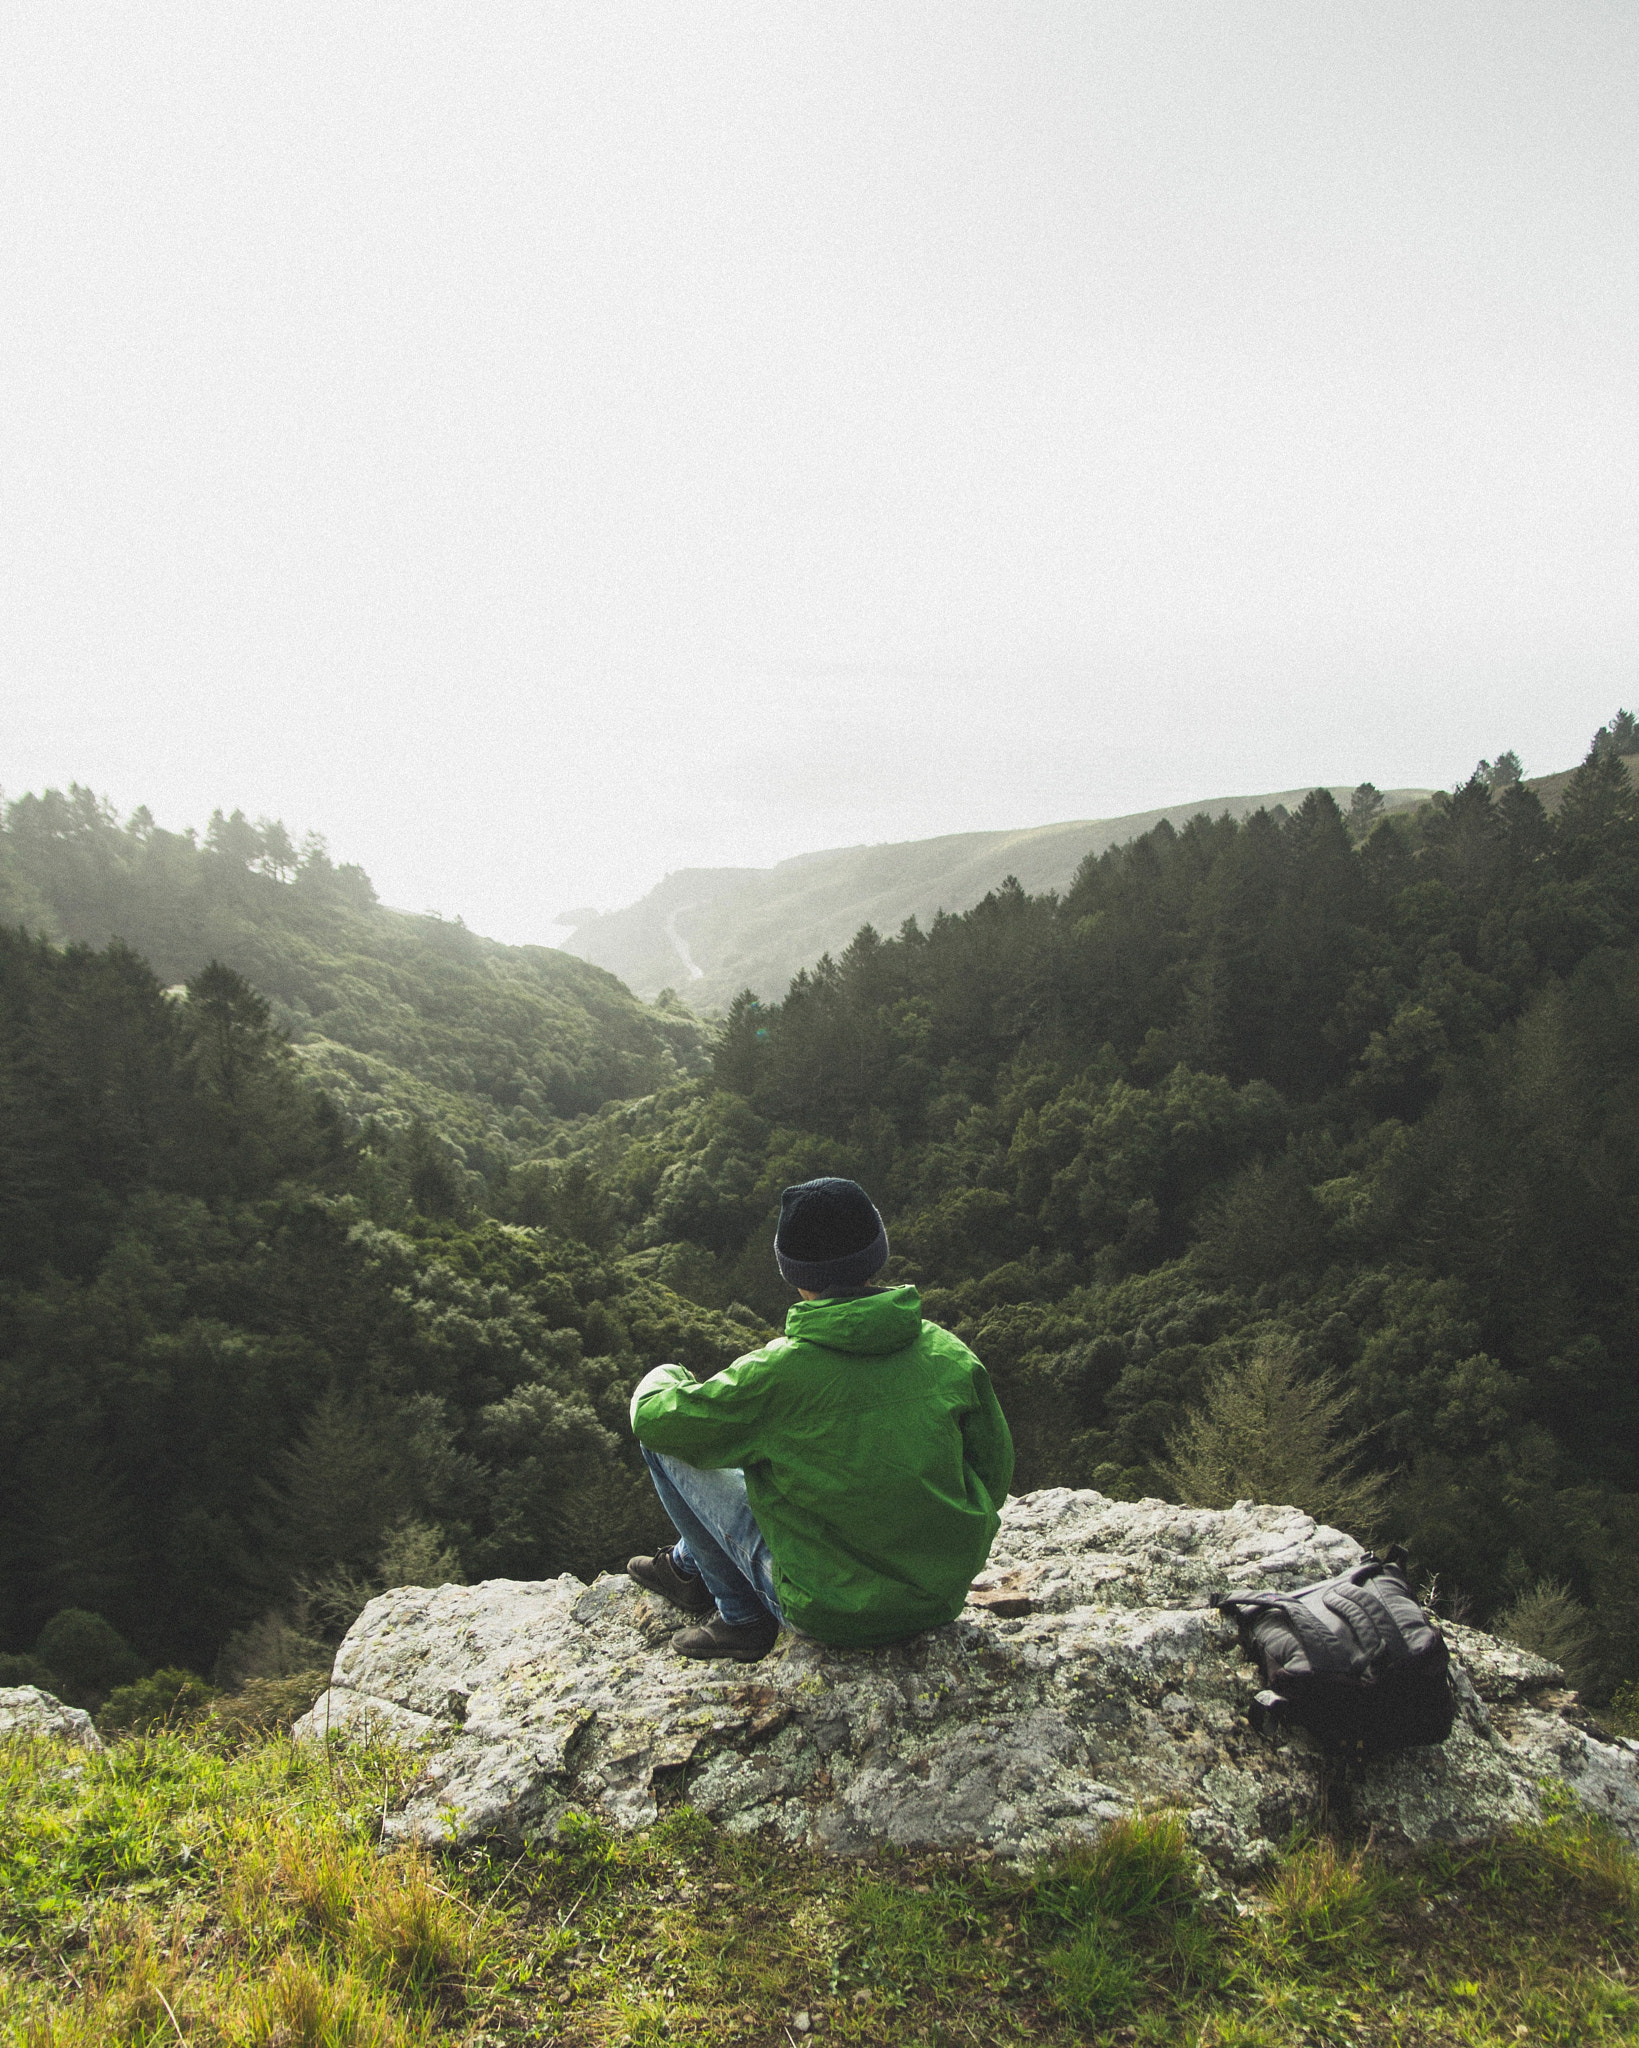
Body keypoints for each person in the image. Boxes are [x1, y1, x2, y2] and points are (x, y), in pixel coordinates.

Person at [626, 1176, 1014, 1662]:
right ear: (878, 1256)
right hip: (938, 1598)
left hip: (828, 1611)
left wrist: (665, 1375)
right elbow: (994, 1476)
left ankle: (741, 1617)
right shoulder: (950, 1355)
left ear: (793, 1274)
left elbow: (655, 1421)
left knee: (668, 1443)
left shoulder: (777, 1375)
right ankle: (687, 1563)